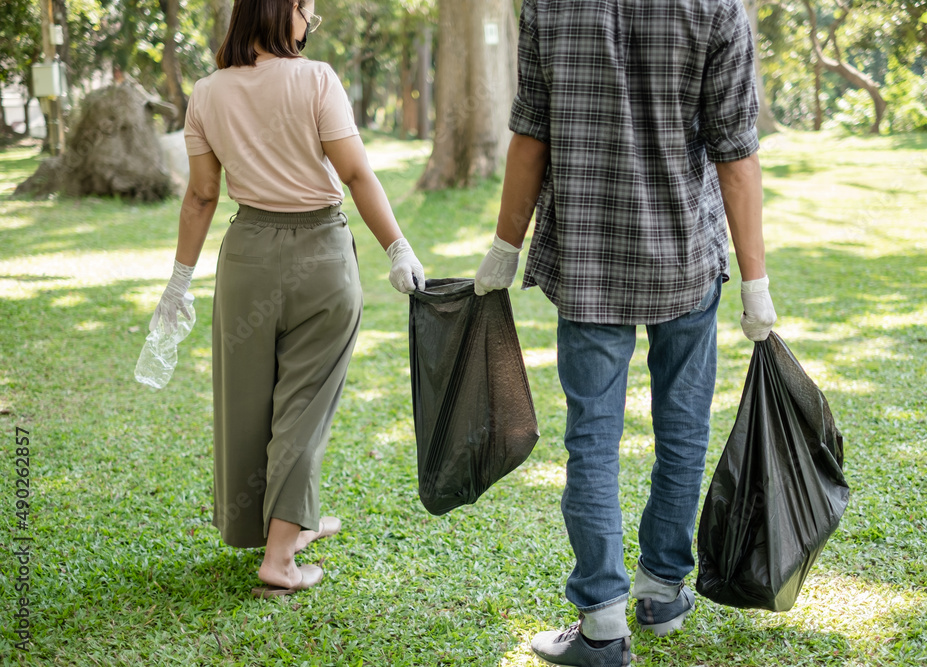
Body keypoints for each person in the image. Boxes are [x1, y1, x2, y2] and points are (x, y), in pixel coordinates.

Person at [474, 0, 777, 664]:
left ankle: (604, 626)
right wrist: (756, 282)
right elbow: (735, 150)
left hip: (588, 260)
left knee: (592, 441)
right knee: (683, 426)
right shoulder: (716, 8)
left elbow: (531, 133)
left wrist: (505, 245)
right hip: (686, 261)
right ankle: (663, 590)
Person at [150, 0, 424, 598]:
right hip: (320, 258)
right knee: (304, 405)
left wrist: (179, 281)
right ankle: (279, 561)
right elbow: (355, 174)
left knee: (248, 401)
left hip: (247, 254)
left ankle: (290, 523)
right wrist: (397, 248)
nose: (310, 24)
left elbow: (201, 196)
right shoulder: (316, 79)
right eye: (308, 12)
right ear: (285, 12)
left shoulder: (207, 92)